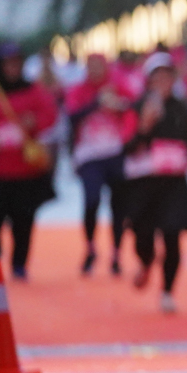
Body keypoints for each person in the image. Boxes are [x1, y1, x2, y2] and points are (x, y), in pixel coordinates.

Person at [0, 42, 59, 281]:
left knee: (24, 220)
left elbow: (50, 114)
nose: (13, 68)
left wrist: (34, 122)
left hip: (24, 171)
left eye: (17, 62)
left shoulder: (34, 90)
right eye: (8, 63)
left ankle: (19, 263)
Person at [119, 54, 187, 313]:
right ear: (148, 80)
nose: (162, 82)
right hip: (143, 184)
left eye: (167, 76)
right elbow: (126, 146)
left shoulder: (184, 110)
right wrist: (145, 125)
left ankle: (167, 290)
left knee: (172, 233)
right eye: (157, 77)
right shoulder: (136, 108)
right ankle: (146, 262)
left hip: (174, 183)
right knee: (143, 235)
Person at [65, 52, 134, 276]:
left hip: (115, 152)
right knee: (91, 200)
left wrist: (118, 106)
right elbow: (72, 116)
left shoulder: (118, 86)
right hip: (89, 156)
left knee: (119, 205)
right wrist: (97, 103)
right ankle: (90, 247)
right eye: (91, 66)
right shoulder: (78, 90)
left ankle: (116, 252)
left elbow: (134, 109)